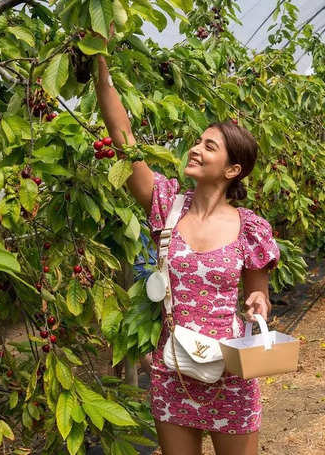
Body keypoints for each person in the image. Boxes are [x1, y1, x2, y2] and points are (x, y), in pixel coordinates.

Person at [92, 35, 280, 455]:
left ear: (233, 169)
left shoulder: (250, 228)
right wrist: (101, 71)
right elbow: (125, 142)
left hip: (232, 374)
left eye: (208, 146)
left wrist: (257, 303)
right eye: (198, 141)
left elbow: (258, 295)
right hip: (174, 369)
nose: (195, 148)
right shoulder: (167, 206)